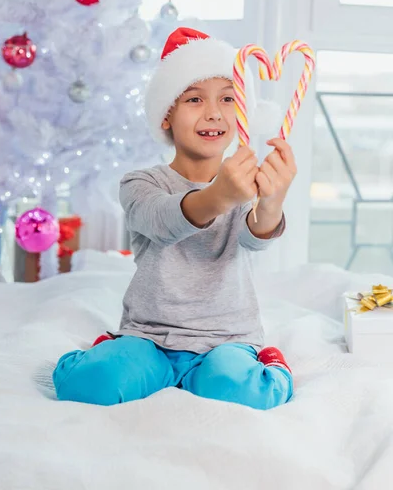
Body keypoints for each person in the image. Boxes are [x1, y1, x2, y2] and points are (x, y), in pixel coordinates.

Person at [53, 27, 296, 410]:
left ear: (242, 112)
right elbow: (161, 221)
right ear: (167, 116)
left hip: (227, 338)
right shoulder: (141, 183)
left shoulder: (244, 178)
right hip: (149, 338)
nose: (213, 112)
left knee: (250, 394)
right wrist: (219, 196)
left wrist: (271, 202)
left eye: (228, 99)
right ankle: (106, 350)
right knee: (88, 386)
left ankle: (270, 362)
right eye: (195, 99)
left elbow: (256, 237)